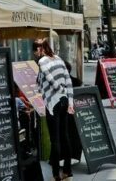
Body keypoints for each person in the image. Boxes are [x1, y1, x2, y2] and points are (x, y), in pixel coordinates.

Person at [34, 38, 74, 180]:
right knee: (65, 136)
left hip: (53, 102)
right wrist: (70, 101)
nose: (36, 53)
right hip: (64, 101)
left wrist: (58, 88)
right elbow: (68, 79)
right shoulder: (58, 59)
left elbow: (49, 78)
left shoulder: (42, 61)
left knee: (55, 139)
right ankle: (68, 170)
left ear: (40, 49)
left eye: (36, 50)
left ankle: (56, 173)